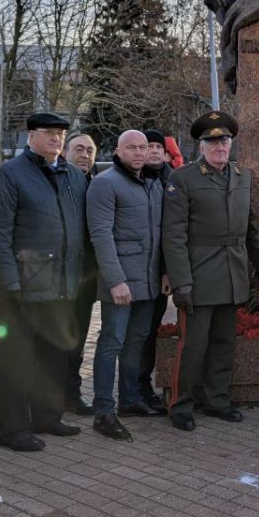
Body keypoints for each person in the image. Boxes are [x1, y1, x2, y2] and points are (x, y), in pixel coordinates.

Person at [0, 113, 88, 452]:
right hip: (23, 287)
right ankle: (12, 428)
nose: (56, 139)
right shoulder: (10, 176)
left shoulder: (73, 175)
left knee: (54, 355)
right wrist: (10, 283)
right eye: (49, 133)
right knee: (18, 359)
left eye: (60, 133)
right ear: (31, 136)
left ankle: (47, 416)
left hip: (62, 286)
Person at [162, 111, 259, 432]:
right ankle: (180, 405)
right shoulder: (183, 178)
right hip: (199, 272)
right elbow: (174, 235)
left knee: (224, 342)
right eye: (212, 141)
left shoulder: (242, 176)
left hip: (233, 272)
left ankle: (217, 400)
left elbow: (251, 228)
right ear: (201, 146)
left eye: (224, 140)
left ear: (231, 143)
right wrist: (181, 283)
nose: (219, 146)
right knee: (192, 345)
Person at [87, 131, 167, 440]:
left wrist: (164, 273)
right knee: (111, 343)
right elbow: (101, 236)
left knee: (137, 341)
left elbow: (160, 234)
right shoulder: (105, 184)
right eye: (131, 147)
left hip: (148, 281)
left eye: (143, 147)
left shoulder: (152, 184)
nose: (138, 152)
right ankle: (103, 411)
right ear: (118, 151)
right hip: (120, 282)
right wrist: (115, 281)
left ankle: (129, 399)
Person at [134, 129, 174, 415]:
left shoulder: (175, 180)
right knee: (137, 333)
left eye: (159, 146)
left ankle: (143, 384)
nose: (155, 151)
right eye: (149, 146)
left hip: (164, 270)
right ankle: (135, 386)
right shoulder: (134, 178)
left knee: (151, 331)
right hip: (137, 270)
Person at [62, 132, 98, 417]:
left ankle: (71, 394)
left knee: (77, 340)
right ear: (64, 152)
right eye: (78, 149)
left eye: (89, 150)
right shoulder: (58, 182)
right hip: (59, 278)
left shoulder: (96, 183)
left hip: (86, 278)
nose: (85, 155)